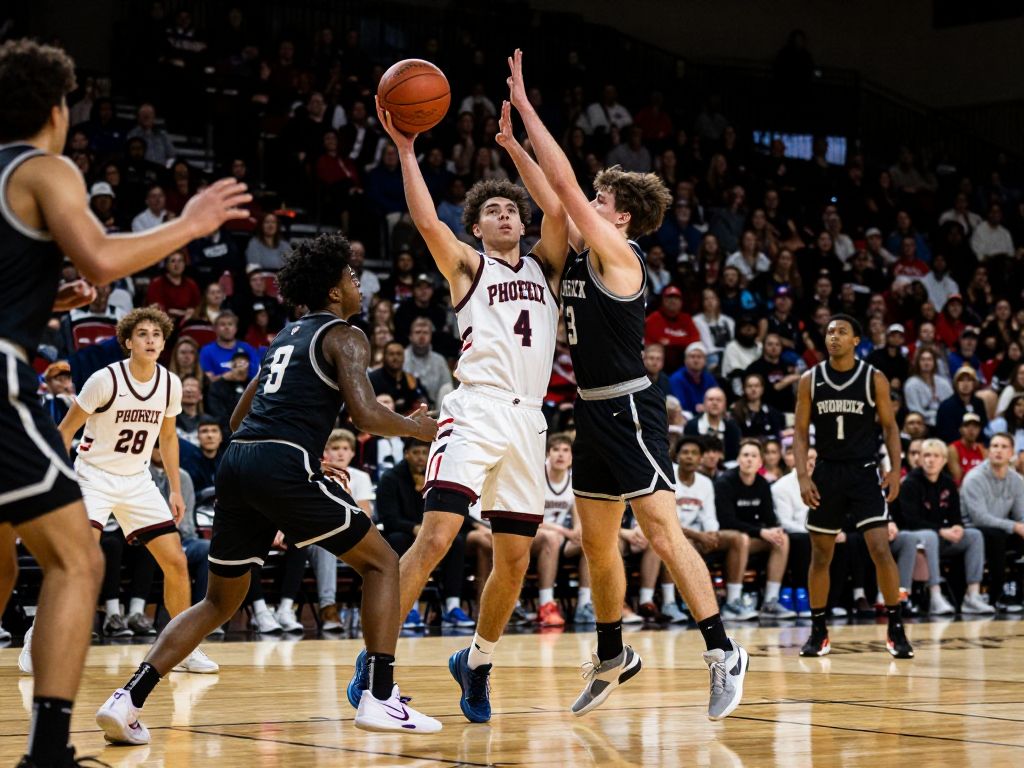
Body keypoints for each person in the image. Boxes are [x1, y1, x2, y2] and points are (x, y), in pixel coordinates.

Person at [0, 38, 249, 768]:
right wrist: (194, 222)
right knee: (78, 560)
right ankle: (48, 752)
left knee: (28, 562)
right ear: (57, 110)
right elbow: (105, 259)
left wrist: (49, 299)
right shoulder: (43, 166)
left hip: (131, 470)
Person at [95, 234, 442, 744]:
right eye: (349, 277)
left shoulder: (284, 336)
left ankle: (127, 699)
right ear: (330, 289)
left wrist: (302, 452)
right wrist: (416, 428)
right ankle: (381, 696)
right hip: (279, 462)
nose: (358, 285)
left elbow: (239, 418)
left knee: (218, 601)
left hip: (240, 462)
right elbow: (366, 414)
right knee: (383, 562)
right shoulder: (345, 335)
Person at [510, 49, 747, 721]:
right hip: (589, 411)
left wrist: (529, 112)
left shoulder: (619, 254)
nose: (590, 200)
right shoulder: (583, 246)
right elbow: (553, 196)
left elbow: (560, 183)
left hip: (629, 409)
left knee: (664, 535)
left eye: (601, 198)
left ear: (618, 218)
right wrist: (509, 143)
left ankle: (723, 649)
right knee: (598, 540)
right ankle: (614, 653)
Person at [367, 92, 567, 725]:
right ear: (477, 226)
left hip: (529, 421)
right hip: (476, 410)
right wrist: (405, 150)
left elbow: (558, 206)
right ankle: (377, 669)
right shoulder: (467, 267)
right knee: (436, 537)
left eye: (513, 208)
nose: (508, 214)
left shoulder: (546, 265)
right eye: (495, 211)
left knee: (514, 561)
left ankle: (476, 662)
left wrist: (514, 148)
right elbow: (427, 222)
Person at [56, 307, 219, 673]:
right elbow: (64, 432)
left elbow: (167, 437)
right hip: (93, 476)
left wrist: (176, 491)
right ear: (128, 341)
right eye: (142, 334)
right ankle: (40, 637)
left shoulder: (170, 383)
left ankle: (182, 649)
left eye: (156, 335)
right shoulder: (104, 379)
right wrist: (61, 482)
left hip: (137, 479)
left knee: (176, 562)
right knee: (79, 562)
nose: (150, 340)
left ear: (164, 343)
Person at [794, 314, 913, 659]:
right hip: (827, 472)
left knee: (880, 548)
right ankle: (818, 630)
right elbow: (800, 433)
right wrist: (803, 475)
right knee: (820, 555)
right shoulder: (810, 379)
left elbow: (890, 428)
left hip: (864, 472)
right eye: (830, 331)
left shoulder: (873, 378)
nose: (833, 337)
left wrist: (895, 469)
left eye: (841, 332)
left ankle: (895, 626)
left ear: (856, 340)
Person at [898, 439, 994, 615]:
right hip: (916, 539)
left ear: (944, 460)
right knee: (931, 536)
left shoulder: (948, 483)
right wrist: (941, 530)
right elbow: (910, 521)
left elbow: (955, 517)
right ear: (919, 459)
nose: (930, 460)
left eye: (936, 456)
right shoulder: (910, 483)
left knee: (974, 535)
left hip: (943, 537)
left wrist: (957, 527)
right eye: (926, 455)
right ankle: (935, 595)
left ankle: (973, 595)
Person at [675, 436, 756, 621]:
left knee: (739, 538)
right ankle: (686, 602)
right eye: (685, 452)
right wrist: (699, 536)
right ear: (677, 456)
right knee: (685, 544)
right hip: (679, 535)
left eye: (694, 453)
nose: (689, 457)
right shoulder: (668, 479)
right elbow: (669, 523)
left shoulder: (705, 483)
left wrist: (711, 534)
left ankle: (733, 602)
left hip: (699, 534)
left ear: (700, 458)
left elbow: (709, 516)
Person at [713, 439, 795, 619]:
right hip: (724, 537)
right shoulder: (725, 482)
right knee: (741, 539)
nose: (749, 460)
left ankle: (770, 602)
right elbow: (727, 521)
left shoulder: (762, 484)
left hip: (750, 537)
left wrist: (775, 530)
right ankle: (732, 603)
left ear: (760, 462)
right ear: (738, 459)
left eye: (753, 456)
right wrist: (761, 532)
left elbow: (769, 518)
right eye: (745, 455)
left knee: (782, 540)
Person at [960, 433, 1024, 612]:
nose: (998, 450)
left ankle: (1015, 592)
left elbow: (1020, 515)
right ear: (988, 451)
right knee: (998, 537)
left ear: (1011, 452)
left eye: (1004, 447)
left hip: (1001, 528)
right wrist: (1016, 526)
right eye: (995, 446)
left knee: (1015, 538)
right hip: (972, 530)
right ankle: (997, 596)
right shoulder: (974, 477)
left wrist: (1020, 525)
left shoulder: (1017, 480)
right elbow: (980, 518)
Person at [541, 433, 593, 623]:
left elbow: (577, 512)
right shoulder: (538, 476)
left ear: (572, 457)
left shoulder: (574, 480)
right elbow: (531, 518)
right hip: (534, 535)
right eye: (555, 450)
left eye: (565, 450)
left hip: (560, 538)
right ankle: (545, 605)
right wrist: (564, 531)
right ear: (547, 454)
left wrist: (579, 530)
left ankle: (584, 604)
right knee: (552, 538)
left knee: (589, 543)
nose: (560, 455)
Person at [683, 387, 742, 462]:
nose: (714, 403)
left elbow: (734, 455)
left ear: (725, 404)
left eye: (719, 400)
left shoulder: (732, 427)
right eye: (710, 399)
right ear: (704, 403)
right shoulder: (691, 426)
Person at [947, 413, 987, 486]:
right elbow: (958, 478)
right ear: (960, 429)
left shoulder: (982, 449)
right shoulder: (953, 449)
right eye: (967, 425)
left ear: (979, 430)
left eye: (975, 426)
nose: (971, 429)